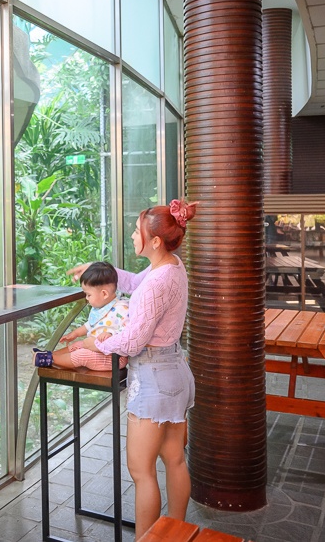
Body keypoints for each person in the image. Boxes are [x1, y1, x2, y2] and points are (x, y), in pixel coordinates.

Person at [66, 198, 198, 538]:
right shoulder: (171, 266)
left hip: (154, 379)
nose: (132, 234)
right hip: (175, 372)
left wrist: (95, 342)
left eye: (137, 231)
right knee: (175, 460)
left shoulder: (157, 281)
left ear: (154, 240)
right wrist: (95, 268)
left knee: (141, 471)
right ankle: (176, 533)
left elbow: (132, 342)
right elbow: (134, 283)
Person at [31, 261, 129, 372]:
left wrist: (111, 334)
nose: (87, 298)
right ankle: (47, 354)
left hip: (113, 358)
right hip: (95, 349)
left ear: (104, 294)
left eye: (89, 295)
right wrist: (75, 334)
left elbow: (128, 332)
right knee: (76, 345)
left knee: (82, 355)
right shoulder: (102, 307)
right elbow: (89, 325)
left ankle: (51, 359)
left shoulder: (122, 309)